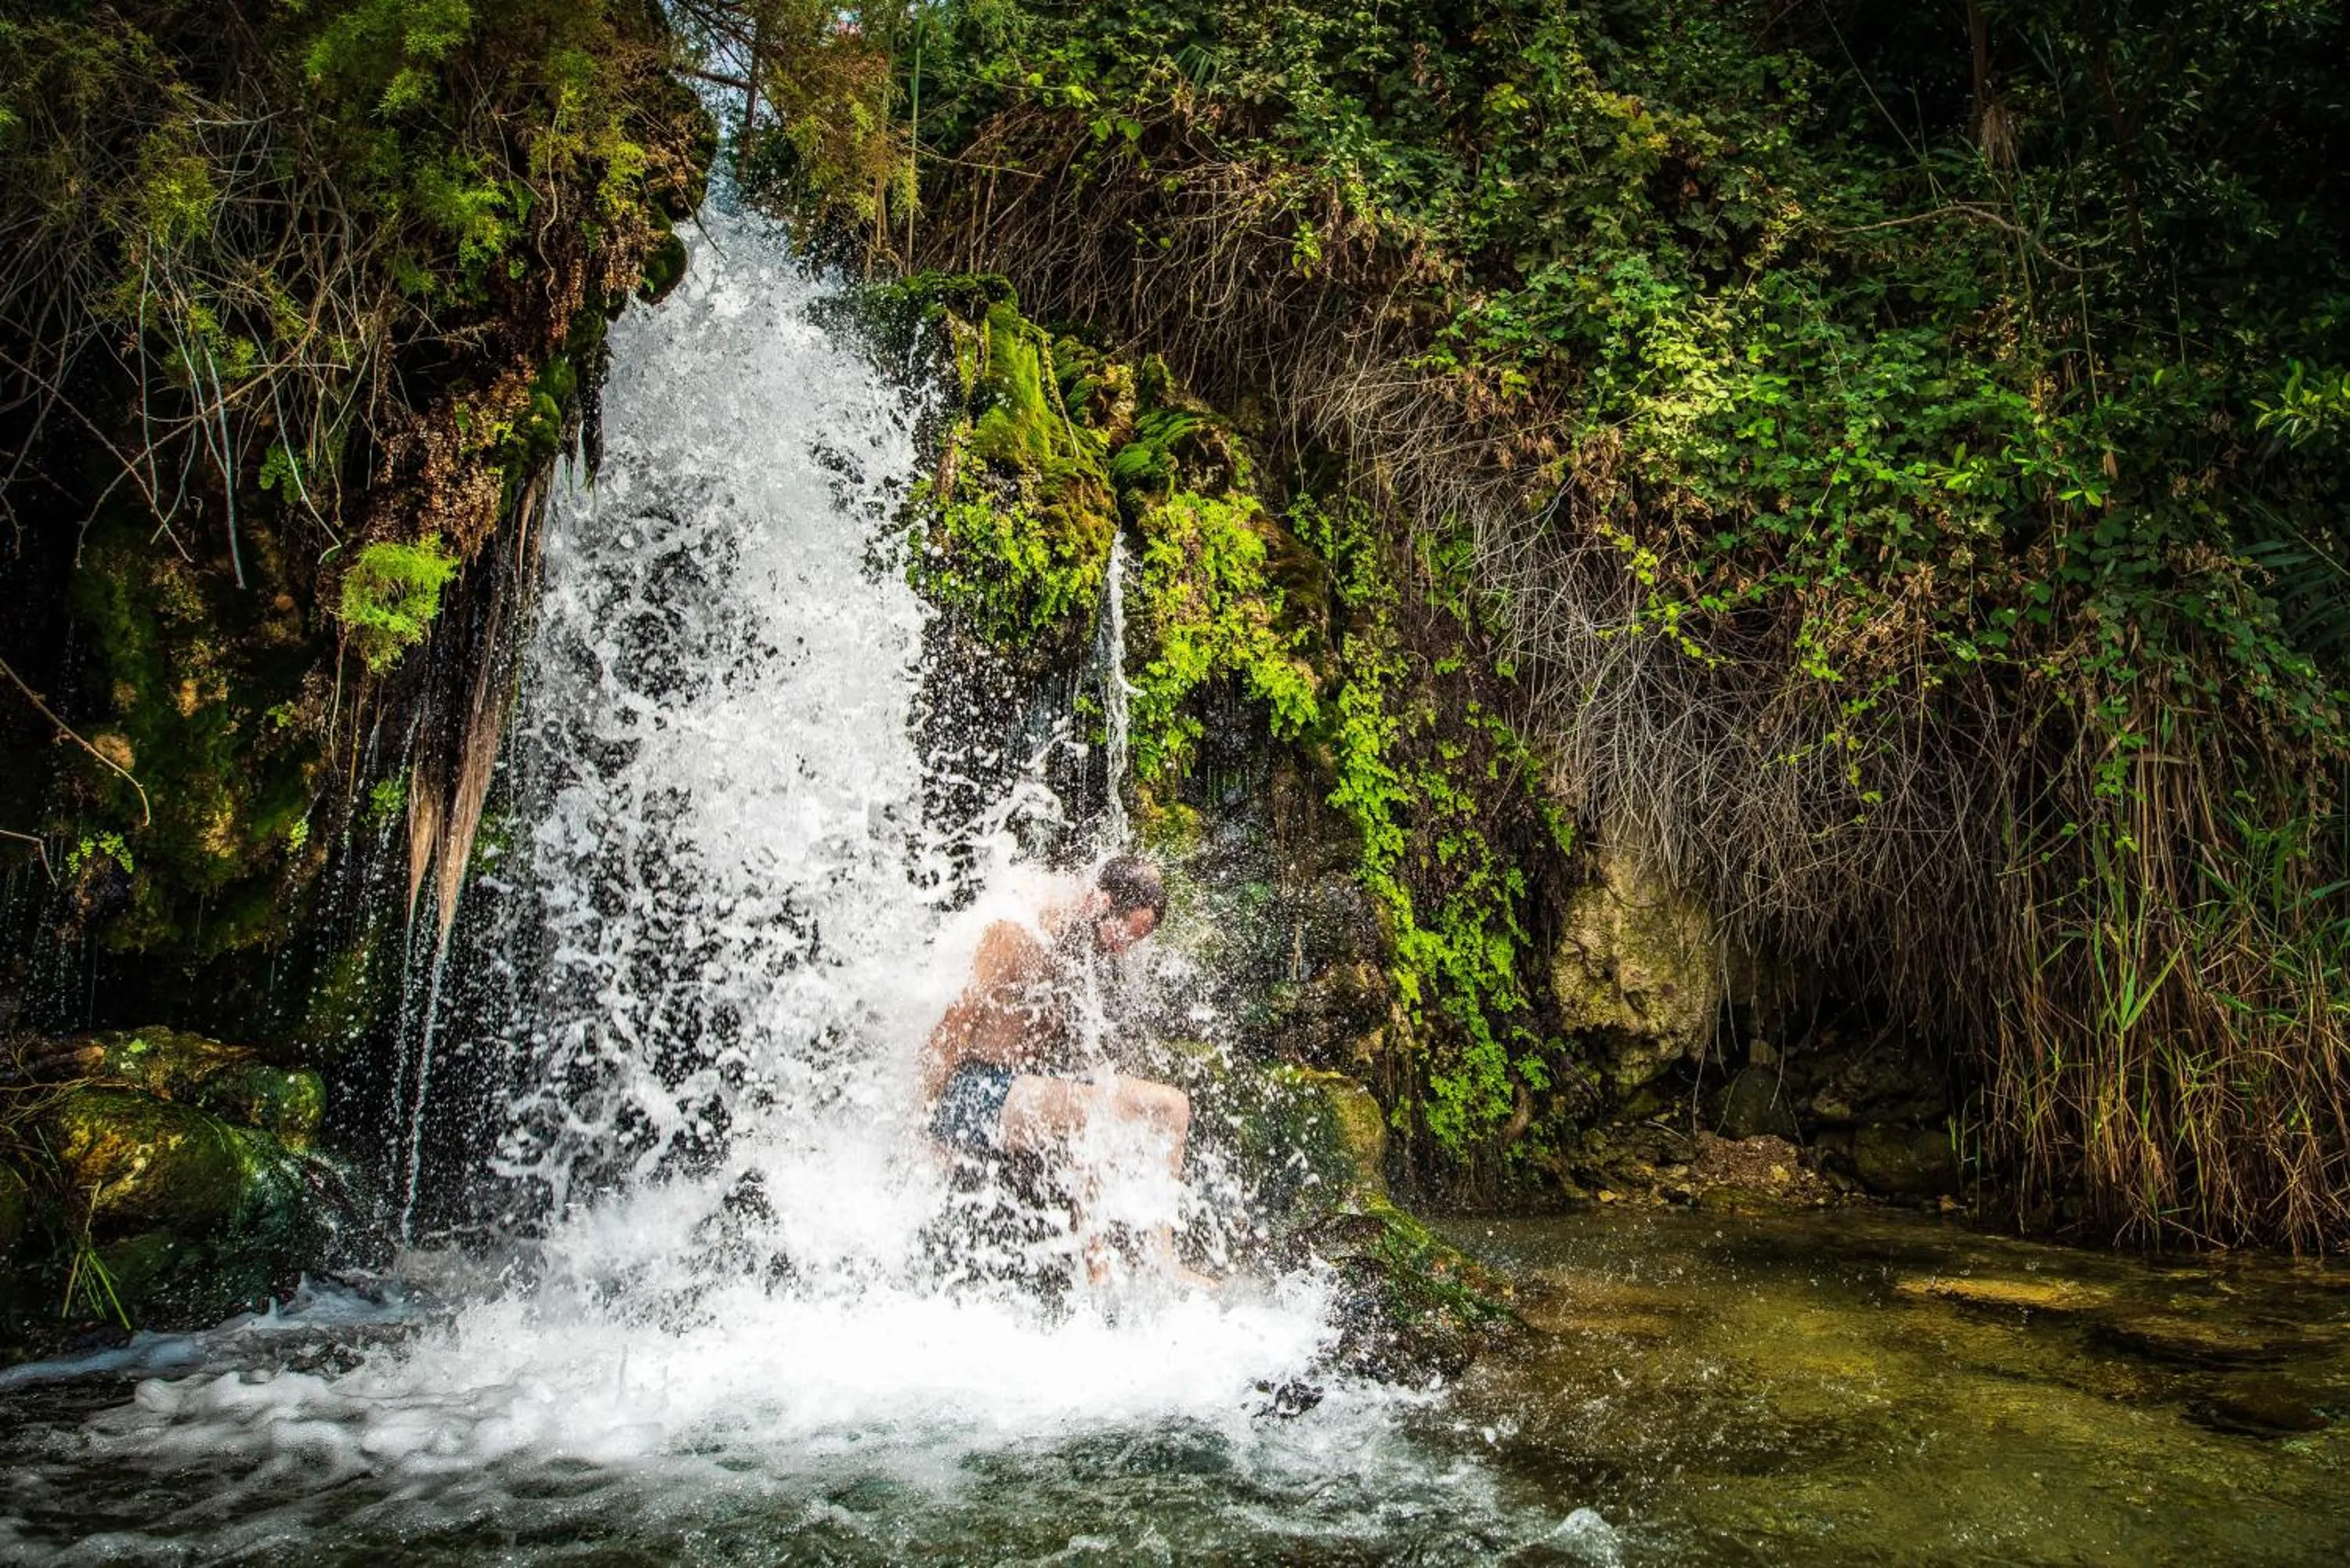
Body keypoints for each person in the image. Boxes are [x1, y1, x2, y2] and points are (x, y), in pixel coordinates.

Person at [920, 854, 1209, 1288]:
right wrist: (924, 1126)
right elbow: (951, 1029)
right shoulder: (1015, 931)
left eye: (1135, 941)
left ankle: (1160, 1261)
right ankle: (1098, 1271)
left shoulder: (1081, 947)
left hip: (1021, 1090)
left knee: (1171, 1108)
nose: (1122, 948)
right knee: (1098, 1108)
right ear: (1100, 901)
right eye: (1124, 933)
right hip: (970, 1092)